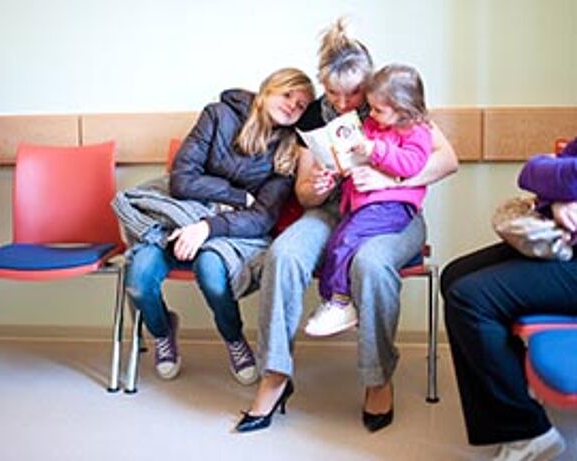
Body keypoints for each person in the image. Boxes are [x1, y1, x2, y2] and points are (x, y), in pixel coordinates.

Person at [235, 19, 458, 433]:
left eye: (352, 93)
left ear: (368, 83)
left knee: (370, 264)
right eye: (333, 92)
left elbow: (447, 160)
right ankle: (275, 375)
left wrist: (391, 181)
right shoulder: (314, 115)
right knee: (284, 254)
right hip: (333, 212)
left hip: (392, 213)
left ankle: (377, 378)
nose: (341, 103)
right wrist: (315, 186)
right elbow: (305, 195)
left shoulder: (392, 103)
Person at [119, 68, 315, 386]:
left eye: (302, 105)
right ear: (267, 90)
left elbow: (262, 217)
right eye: (287, 94)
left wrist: (207, 228)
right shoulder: (218, 115)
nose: (293, 105)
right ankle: (163, 331)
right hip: (179, 218)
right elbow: (182, 181)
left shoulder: (289, 151)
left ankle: (234, 338)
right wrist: (239, 196)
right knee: (139, 279)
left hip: (232, 232)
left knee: (212, 272)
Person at [440, 137, 577, 461]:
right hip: (567, 245)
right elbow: (534, 171)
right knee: (454, 275)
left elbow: (561, 174)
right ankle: (516, 389)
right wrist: (557, 201)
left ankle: (527, 431)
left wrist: (558, 187)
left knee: (469, 298)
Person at [305, 64, 432, 337]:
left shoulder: (417, 132)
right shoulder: (375, 125)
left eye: (377, 109)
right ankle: (338, 301)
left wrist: (376, 149)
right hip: (361, 205)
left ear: (403, 109)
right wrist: (340, 166)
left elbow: (412, 164)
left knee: (347, 243)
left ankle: (339, 300)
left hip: (391, 206)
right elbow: (361, 157)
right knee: (338, 242)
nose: (370, 114)